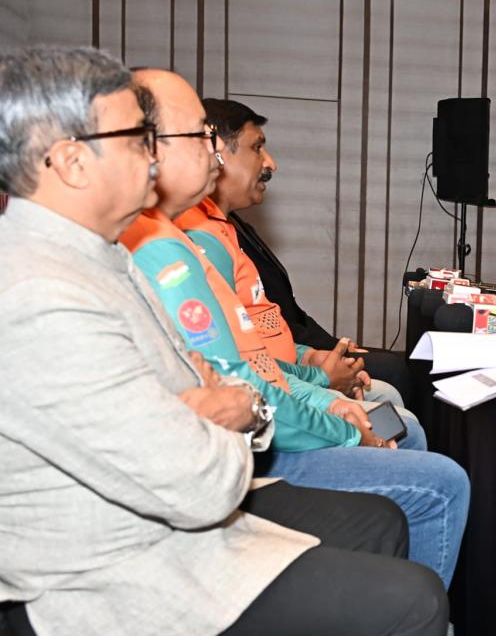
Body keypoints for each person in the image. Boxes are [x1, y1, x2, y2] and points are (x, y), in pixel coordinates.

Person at [0, 45, 447, 636]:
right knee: (413, 604)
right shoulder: (42, 294)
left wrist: (221, 410)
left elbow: (216, 387)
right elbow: (200, 484)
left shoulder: (100, 256)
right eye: (137, 139)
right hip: (109, 586)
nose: (153, 157)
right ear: (72, 162)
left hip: (163, 532)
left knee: (378, 523)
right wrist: (219, 413)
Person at [120, 68, 469, 589]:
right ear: (147, 147)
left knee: (395, 420)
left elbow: (259, 354)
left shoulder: (197, 234)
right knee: (439, 480)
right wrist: (337, 412)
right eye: (200, 136)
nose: (213, 153)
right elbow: (241, 384)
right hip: (253, 452)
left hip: (267, 419)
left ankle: (397, 596)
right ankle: (415, 609)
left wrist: (319, 382)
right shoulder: (167, 247)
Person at [179, 101, 419, 438]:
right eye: (257, 148)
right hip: (271, 405)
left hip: (289, 378)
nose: (270, 163)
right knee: (405, 427)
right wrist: (321, 380)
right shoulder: (195, 239)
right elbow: (239, 369)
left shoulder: (225, 227)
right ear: (216, 153)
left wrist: (311, 358)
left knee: (391, 403)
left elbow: (270, 324)